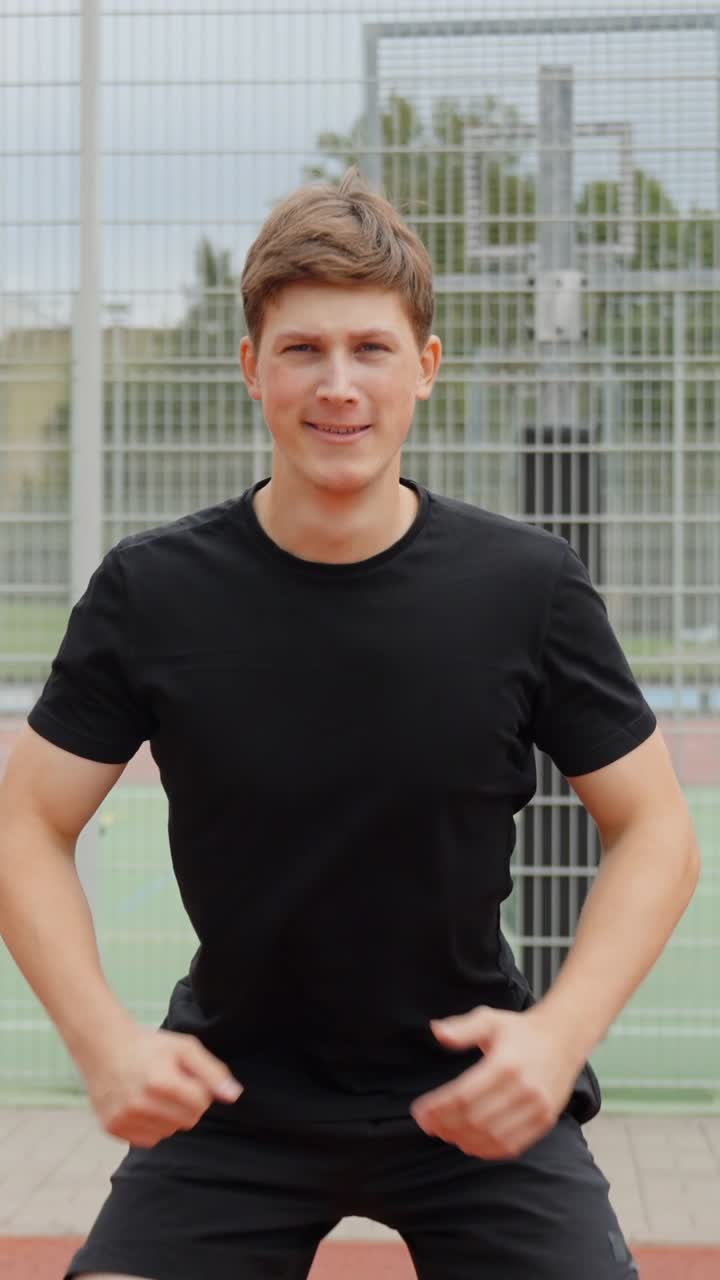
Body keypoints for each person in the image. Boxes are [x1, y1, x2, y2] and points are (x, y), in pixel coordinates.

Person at [0, 167, 700, 1280]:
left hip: (471, 1086)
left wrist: (557, 1035)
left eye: (371, 349)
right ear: (251, 369)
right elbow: (27, 821)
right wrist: (102, 1040)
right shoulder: (153, 591)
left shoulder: (527, 586)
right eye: (302, 350)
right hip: (231, 1092)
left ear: (424, 368)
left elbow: (656, 828)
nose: (338, 385)